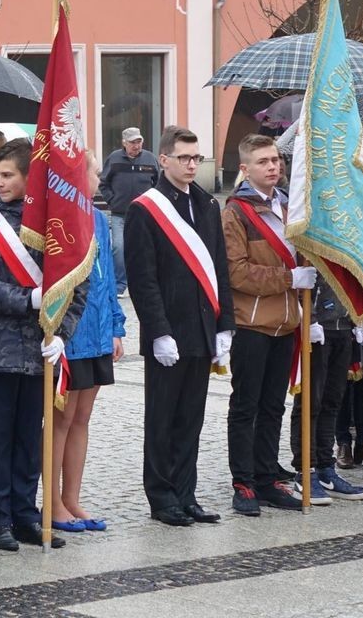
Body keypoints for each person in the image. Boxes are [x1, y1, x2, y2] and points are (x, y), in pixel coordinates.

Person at [0, 139, 85, 551]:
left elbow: (75, 286)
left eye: (8, 174)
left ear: (33, 178)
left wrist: (63, 334)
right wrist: (28, 299)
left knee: (30, 438)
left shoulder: (58, 226)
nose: (0, 182)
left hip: (39, 350)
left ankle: (25, 513)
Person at [126, 127, 233, 525]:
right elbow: (143, 278)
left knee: (191, 418)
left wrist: (226, 325)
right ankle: (161, 497)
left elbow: (219, 268)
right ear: (164, 160)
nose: (191, 164)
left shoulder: (207, 205)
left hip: (203, 329)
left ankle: (186, 494)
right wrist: (158, 332)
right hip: (168, 334)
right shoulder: (145, 209)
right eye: (184, 157)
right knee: (162, 419)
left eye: (196, 158)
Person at [222, 134, 313, 514]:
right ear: (245, 169)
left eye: (276, 159)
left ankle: (267, 477)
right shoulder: (235, 213)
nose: (273, 166)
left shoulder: (291, 206)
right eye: (263, 161)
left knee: (274, 405)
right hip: (252, 323)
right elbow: (236, 272)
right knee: (247, 405)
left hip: (287, 321)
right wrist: (289, 279)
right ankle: (243, 482)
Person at [52, 153, 124, 531]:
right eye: (95, 173)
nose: (99, 179)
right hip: (71, 334)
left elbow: (109, 275)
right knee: (61, 420)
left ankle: (72, 499)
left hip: (97, 331)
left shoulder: (99, 217)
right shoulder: (60, 215)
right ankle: (52, 504)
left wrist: (115, 325)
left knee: (82, 419)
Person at [288, 275, 363, 505]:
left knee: (332, 401)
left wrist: (360, 316)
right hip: (318, 324)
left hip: (343, 325)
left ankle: (326, 467)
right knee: (310, 402)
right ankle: (306, 469)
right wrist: (310, 317)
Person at [100, 127, 158, 298]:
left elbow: (158, 183)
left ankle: (143, 283)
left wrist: (151, 202)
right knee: (118, 247)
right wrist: (112, 200)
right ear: (124, 143)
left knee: (143, 249)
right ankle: (119, 284)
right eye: (133, 142)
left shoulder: (150, 159)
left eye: (139, 141)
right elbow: (103, 183)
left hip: (143, 215)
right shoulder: (114, 159)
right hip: (120, 214)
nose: (136, 145)